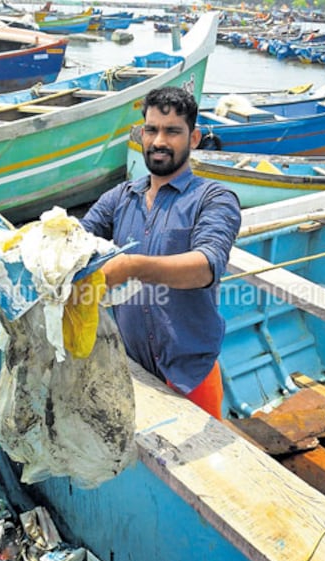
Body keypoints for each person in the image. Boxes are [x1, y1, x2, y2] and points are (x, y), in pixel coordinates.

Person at [80, 86, 241, 420]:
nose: (159, 141)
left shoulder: (215, 199)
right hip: (131, 367)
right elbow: (77, 239)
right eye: (151, 130)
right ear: (140, 134)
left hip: (190, 374)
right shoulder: (120, 197)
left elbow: (206, 267)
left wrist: (133, 266)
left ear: (194, 138)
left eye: (172, 131)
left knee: (200, 470)